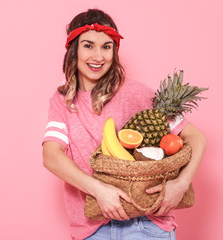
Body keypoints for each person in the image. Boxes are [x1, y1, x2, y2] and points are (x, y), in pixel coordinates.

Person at [42, 9, 206, 240]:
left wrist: (181, 183)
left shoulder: (137, 93)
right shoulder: (62, 102)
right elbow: (51, 156)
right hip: (92, 227)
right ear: (73, 50)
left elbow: (196, 137)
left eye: (106, 47)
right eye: (88, 45)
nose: (98, 56)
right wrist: (99, 190)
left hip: (146, 224)